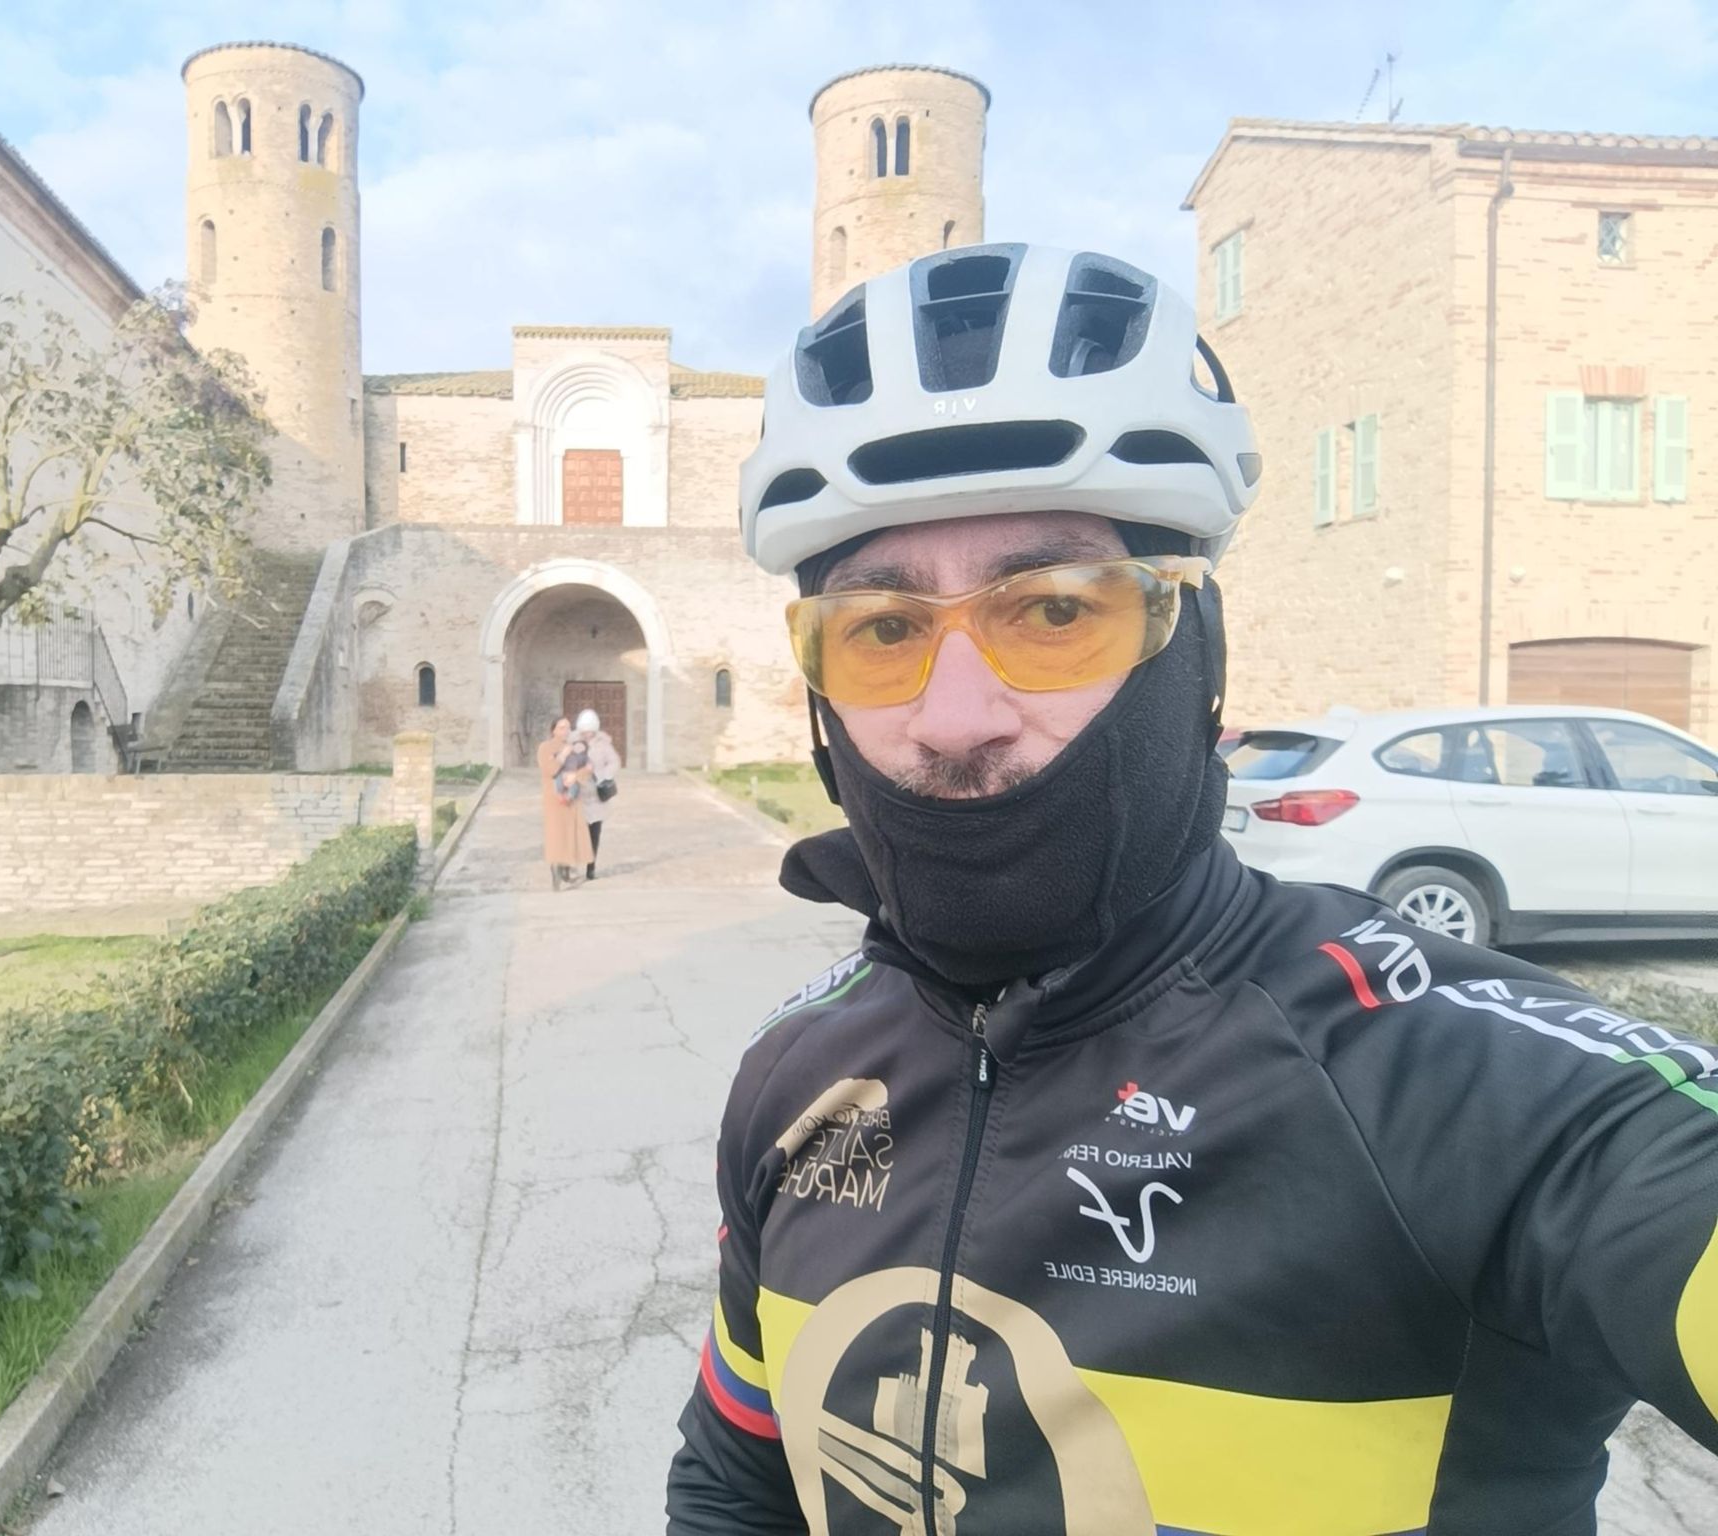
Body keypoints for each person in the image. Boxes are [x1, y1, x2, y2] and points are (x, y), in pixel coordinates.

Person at [666, 244, 1718, 1534]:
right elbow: (737, 1481)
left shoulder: (1450, 1083)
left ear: (1193, 662)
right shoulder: (793, 1072)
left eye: (1054, 613)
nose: (953, 717)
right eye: (882, 631)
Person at [535, 715, 590, 890]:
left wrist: (576, 776)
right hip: (554, 798)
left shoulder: (574, 747)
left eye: (567, 727)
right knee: (556, 834)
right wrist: (562, 756)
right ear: (553, 730)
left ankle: (566, 869)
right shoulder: (545, 747)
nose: (565, 731)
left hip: (572, 798)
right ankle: (556, 872)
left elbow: (586, 767)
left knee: (570, 834)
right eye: (561, 727)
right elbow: (548, 770)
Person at [572, 707, 621, 881]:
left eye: (590, 731)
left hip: (596, 797)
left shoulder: (604, 744)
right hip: (578, 794)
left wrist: (604, 775)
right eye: (585, 731)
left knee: (594, 833)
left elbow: (614, 762)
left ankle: (591, 866)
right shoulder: (573, 743)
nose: (587, 734)